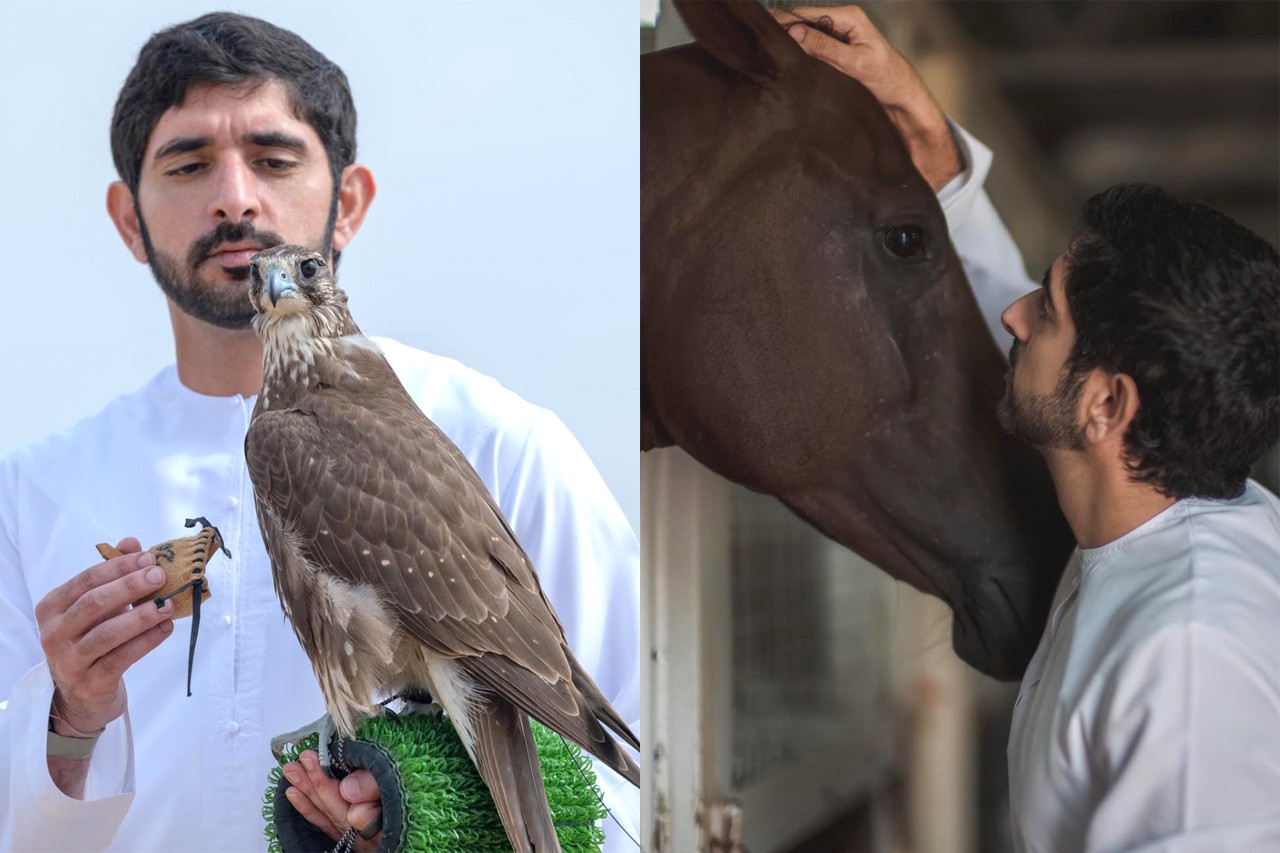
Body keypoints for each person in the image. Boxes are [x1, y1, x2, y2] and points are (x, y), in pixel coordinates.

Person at [0, 12, 639, 852]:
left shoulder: (503, 442)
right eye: (189, 164)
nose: (235, 197)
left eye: (274, 159)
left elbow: (628, 801)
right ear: (129, 219)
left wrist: (426, 820)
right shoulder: (36, 494)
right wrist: (71, 716)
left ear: (349, 204)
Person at [777, 6, 1280, 851]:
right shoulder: (1177, 517)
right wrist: (922, 129)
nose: (1012, 314)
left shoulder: (1191, 651)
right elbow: (1007, 314)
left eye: (1044, 311)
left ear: (1109, 406)